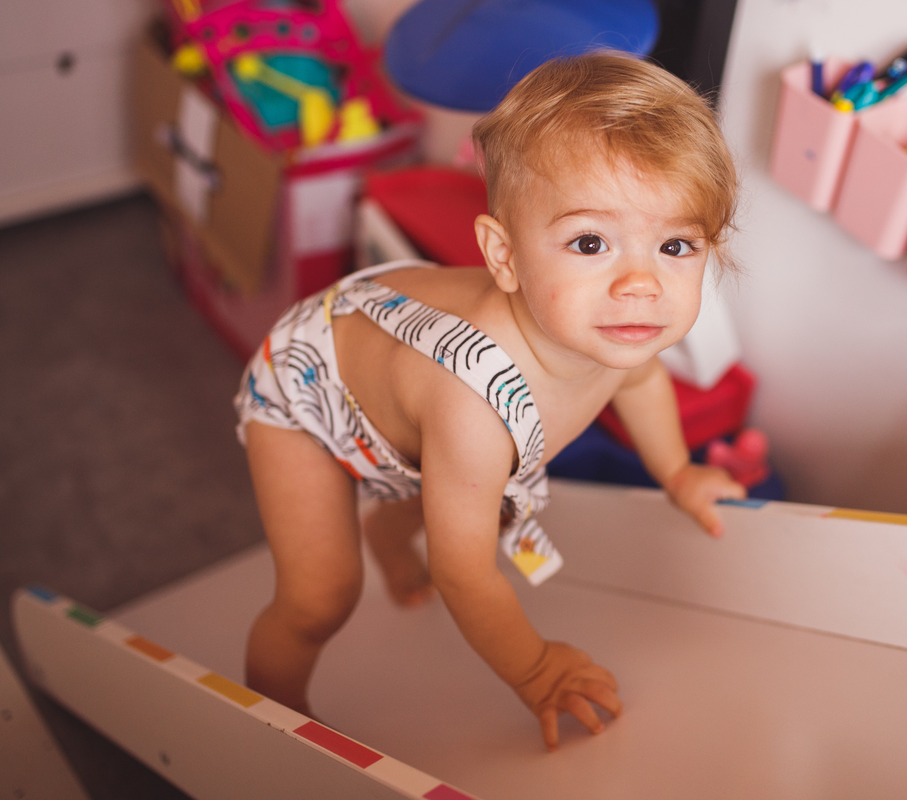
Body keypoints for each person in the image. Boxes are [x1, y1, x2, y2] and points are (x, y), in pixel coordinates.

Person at [234, 51, 744, 751]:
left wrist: (678, 473)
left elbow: (644, 382)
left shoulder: (614, 326)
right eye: (591, 242)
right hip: (309, 391)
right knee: (319, 597)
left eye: (676, 244)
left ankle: (389, 529)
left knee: (453, 485)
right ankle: (272, 713)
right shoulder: (471, 409)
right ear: (504, 256)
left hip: (402, 391)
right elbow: (464, 572)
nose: (640, 283)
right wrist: (536, 670)